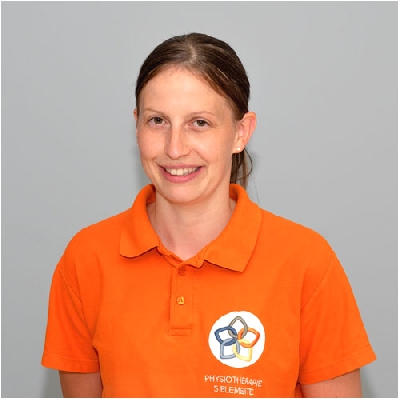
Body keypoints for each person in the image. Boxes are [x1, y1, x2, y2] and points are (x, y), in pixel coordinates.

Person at [41, 32, 376, 398]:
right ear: (136, 126)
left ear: (241, 133)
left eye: (199, 122)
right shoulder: (86, 259)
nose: (175, 148)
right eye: (157, 120)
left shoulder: (307, 264)